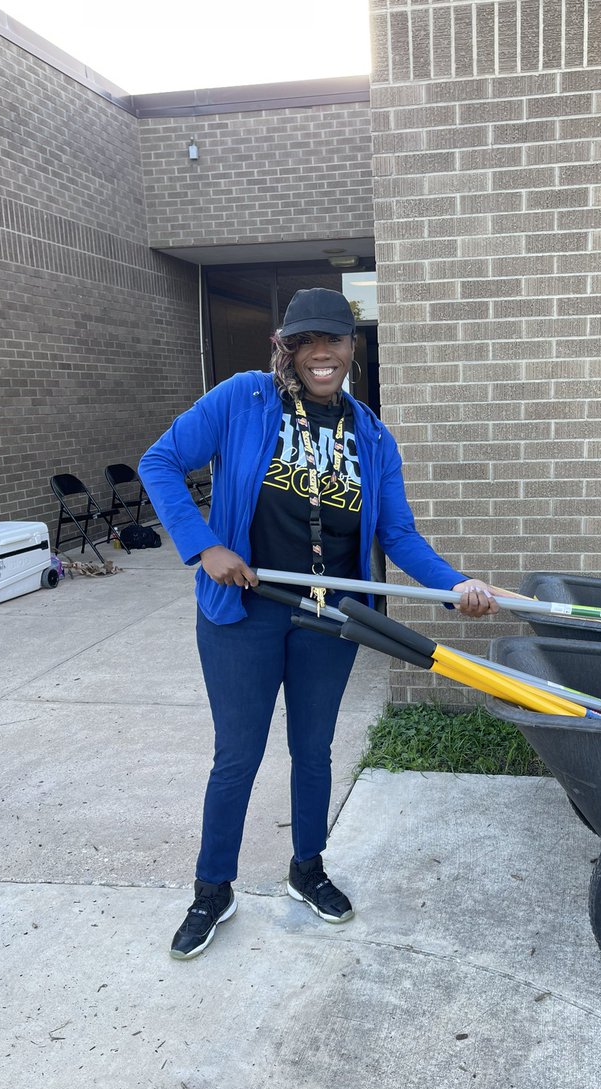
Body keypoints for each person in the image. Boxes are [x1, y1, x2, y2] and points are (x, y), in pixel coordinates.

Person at [139, 287, 506, 960]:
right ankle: (211, 888)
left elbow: (399, 534)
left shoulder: (369, 433)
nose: (318, 354)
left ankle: (307, 868)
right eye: (302, 341)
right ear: (284, 348)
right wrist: (204, 546)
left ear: (351, 348)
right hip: (242, 615)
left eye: (331, 341)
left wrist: (456, 586)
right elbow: (159, 462)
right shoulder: (242, 400)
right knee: (237, 756)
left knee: (313, 752)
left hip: (325, 619)